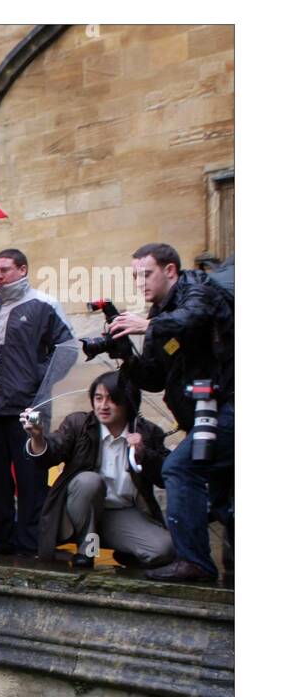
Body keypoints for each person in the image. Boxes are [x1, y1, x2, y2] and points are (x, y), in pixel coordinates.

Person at [110, 242, 234, 582]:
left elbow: (194, 317)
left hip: (230, 406)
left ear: (170, 271)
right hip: (203, 415)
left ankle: (195, 563)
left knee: (181, 469)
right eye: (136, 276)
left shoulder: (198, 288)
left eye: (147, 274)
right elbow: (153, 377)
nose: (141, 283)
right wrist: (124, 355)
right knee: (225, 501)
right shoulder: (159, 316)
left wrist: (147, 326)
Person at [0, 248, 77, 556]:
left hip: (29, 410)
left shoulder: (43, 305)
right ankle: (2, 540)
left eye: (5, 270)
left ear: (23, 270)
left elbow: (67, 349)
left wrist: (38, 383)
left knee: (31, 480)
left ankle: (31, 545)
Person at [22, 370, 174, 569]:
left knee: (165, 549)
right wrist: (37, 437)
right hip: (79, 510)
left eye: (111, 400)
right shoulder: (78, 424)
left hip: (121, 511)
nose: (103, 406)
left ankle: (127, 552)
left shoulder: (148, 432)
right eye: (98, 398)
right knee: (89, 481)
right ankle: (87, 551)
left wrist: (143, 453)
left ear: (128, 402)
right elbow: (51, 453)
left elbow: (166, 475)